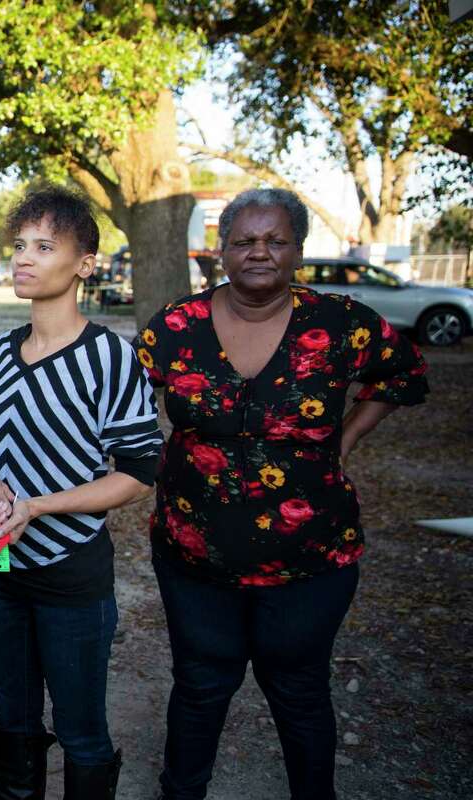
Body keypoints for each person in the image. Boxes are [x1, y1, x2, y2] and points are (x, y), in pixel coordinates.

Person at [134, 188, 429, 800]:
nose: (259, 252)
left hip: (310, 559)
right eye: (243, 241)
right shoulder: (177, 324)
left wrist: (347, 436)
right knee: (199, 686)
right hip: (195, 556)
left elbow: (404, 372)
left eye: (275, 240)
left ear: (298, 250)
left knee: (299, 691)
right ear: (221, 252)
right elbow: (121, 397)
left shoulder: (341, 321)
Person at [0, 188, 164, 799]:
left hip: (71, 572)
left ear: (85, 264)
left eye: (45, 246)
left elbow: (138, 474)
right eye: (20, 245)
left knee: (80, 730)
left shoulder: (110, 358)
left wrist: (39, 506)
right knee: (13, 720)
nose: (24, 258)